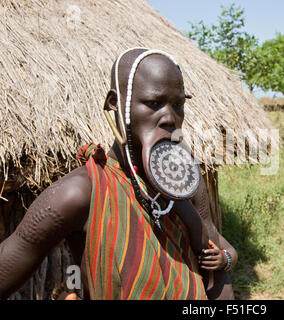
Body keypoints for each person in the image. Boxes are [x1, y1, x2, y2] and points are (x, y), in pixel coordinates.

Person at [0, 48, 236, 300]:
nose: (170, 118)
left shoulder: (184, 184)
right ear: (114, 102)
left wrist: (212, 241)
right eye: (153, 103)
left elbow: (217, 268)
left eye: (178, 105)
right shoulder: (81, 192)